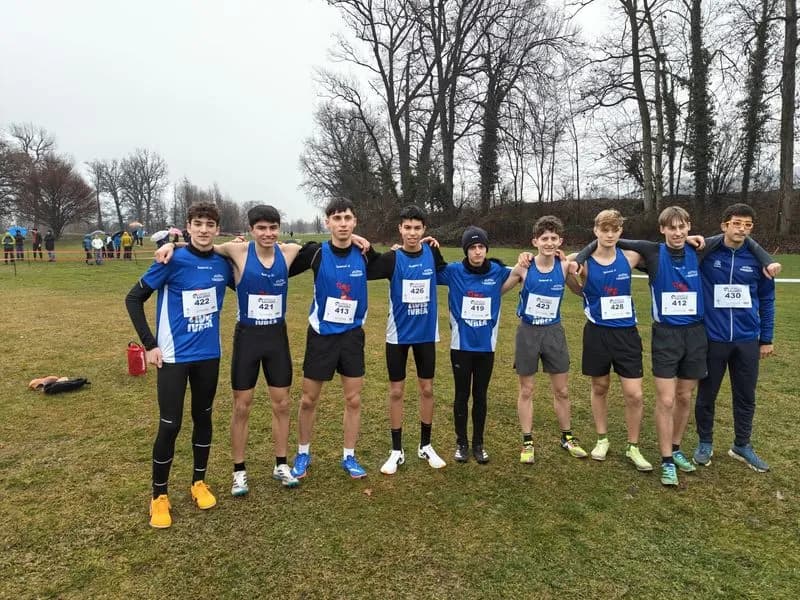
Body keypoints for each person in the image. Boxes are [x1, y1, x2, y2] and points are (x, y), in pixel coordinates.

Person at [573, 206, 776, 487]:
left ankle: (678, 449)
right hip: (665, 335)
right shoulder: (653, 252)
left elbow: (739, 237)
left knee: (684, 397)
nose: (678, 233)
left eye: (683, 228)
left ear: (689, 228)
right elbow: (609, 240)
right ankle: (666, 460)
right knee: (666, 400)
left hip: (696, 335)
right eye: (672, 228)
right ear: (662, 229)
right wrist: (581, 256)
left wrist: (766, 259)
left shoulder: (701, 249)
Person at [155, 205, 329, 494]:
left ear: (279, 229)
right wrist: (173, 244)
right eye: (261, 228)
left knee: (282, 404)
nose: (268, 233)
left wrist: (359, 240)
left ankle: (281, 464)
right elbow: (203, 243)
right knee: (241, 406)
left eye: (273, 228)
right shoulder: (237, 252)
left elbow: (321, 246)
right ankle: (239, 471)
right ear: (251, 230)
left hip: (277, 338)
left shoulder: (288, 252)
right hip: (247, 338)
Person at [125, 202, 233, 529]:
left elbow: (256, 262)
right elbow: (133, 298)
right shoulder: (171, 260)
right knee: (170, 425)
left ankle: (198, 483)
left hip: (208, 356)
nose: (203, 229)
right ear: (188, 226)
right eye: (198, 223)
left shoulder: (222, 264)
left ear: (217, 229)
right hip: (172, 357)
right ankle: (159, 496)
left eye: (209, 224)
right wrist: (150, 345)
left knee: (203, 418)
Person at [290, 197, 380, 480]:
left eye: (347, 219)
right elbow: (275, 259)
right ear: (327, 222)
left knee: (353, 400)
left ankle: (349, 456)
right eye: (337, 218)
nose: (342, 223)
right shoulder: (315, 253)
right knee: (308, 400)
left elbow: (397, 262)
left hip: (352, 337)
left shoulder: (365, 254)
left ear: (355, 222)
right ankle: (303, 452)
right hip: (321, 336)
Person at [693, 204, 776, 472]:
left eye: (748, 225)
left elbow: (767, 299)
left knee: (745, 396)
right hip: (714, 338)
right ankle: (705, 442)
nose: (742, 229)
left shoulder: (757, 260)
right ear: (724, 225)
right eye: (737, 223)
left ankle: (742, 444)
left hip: (747, 339)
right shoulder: (706, 252)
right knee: (707, 395)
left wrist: (767, 338)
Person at [568, 210, 652, 473]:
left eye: (614, 229)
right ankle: (602, 439)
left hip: (626, 334)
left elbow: (656, 249)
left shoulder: (630, 257)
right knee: (600, 386)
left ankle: (633, 446)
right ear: (596, 231)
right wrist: (578, 287)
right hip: (597, 333)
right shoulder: (583, 262)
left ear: (620, 232)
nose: (609, 234)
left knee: (634, 394)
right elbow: (563, 270)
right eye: (604, 229)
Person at [368, 205, 448, 475]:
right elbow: (366, 268)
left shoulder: (432, 253)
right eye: (407, 228)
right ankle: (396, 450)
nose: (412, 233)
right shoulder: (392, 259)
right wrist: (365, 247)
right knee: (396, 391)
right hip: (398, 336)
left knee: (427, 389)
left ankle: (425, 445)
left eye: (417, 228)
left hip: (426, 335)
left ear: (424, 230)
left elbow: (448, 271)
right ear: (400, 229)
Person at [436, 226, 525, 464]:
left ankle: (478, 444)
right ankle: (461, 444)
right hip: (460, 347)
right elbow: (427, 271)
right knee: (461, 395)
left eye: (481, 247)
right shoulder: (454, 271)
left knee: (481, 395)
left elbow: (521, 271)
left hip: (486, 347)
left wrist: (525, 258)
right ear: (466, 250)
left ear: (486, 249)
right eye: (472, 248)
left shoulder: (496, 271)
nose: (477, 252)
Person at [513, 216, 588, 465]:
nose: (549, 242)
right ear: (535, 241)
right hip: (528, 332)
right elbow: (497, 289)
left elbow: (580, 290)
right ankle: (527, 441)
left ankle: (567, 437)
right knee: (527, 389)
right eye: (544, 238)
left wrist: (583, 272)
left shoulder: (564, 266)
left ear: (560, 241)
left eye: (554, 238)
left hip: (554, 332)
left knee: (562, 390)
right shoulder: (524, 267)